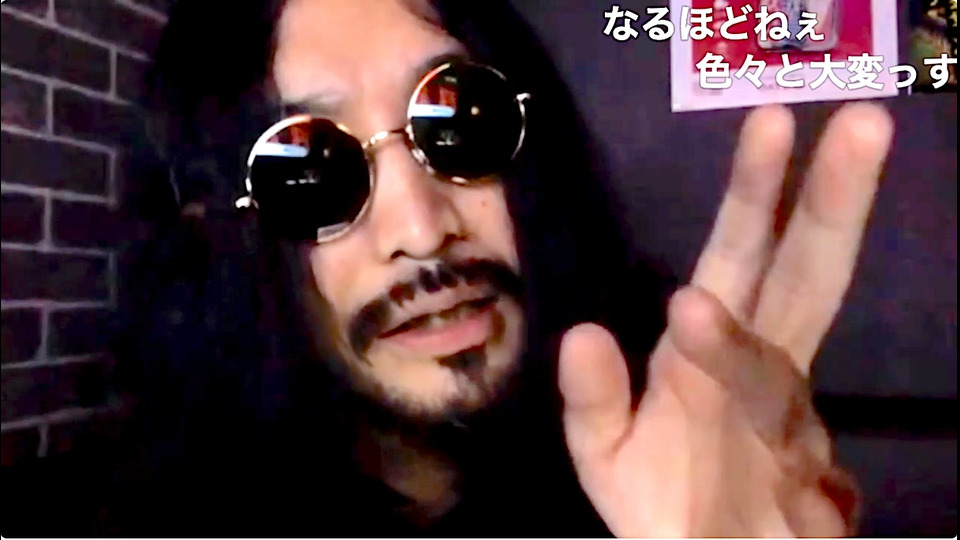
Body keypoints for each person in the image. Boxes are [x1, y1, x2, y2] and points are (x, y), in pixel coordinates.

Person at [5, 0, 895, 536]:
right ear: (214, 233)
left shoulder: (672, 458)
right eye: (309, 169)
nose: (422, 231)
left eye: (459, 120)